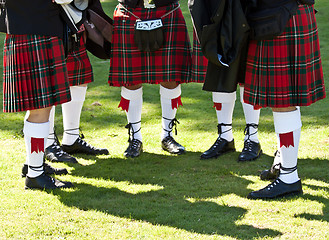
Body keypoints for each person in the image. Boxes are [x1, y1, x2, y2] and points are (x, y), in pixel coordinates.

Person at [244, 1, 325, 199]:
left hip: (282, 16)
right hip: (285, 15)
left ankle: (289, 177)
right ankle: (285, 161)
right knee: (287, 99)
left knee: (283, 101)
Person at [0, 0, 74, 189]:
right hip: (38, 30)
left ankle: (34, 163)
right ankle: (35, 174)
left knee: (39, 109)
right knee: (40, 110)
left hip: (24, 29)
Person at [108, 0, 192, 158]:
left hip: (167, 9)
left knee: (171, 77)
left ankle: (167, 136)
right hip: (130, 9)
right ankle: (135, 138)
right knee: (130, 79)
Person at [189, 0, 262, 162]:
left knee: (246, 73)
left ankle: (253, 138)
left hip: (248, 7)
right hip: (214, 6)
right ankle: (225, 136)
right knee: (219, 69)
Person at [44, 27, 109, 164]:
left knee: (79, 78)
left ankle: (71, 138)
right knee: (48, 81)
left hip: (72, 22)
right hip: (47, 21)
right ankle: (48, 143)